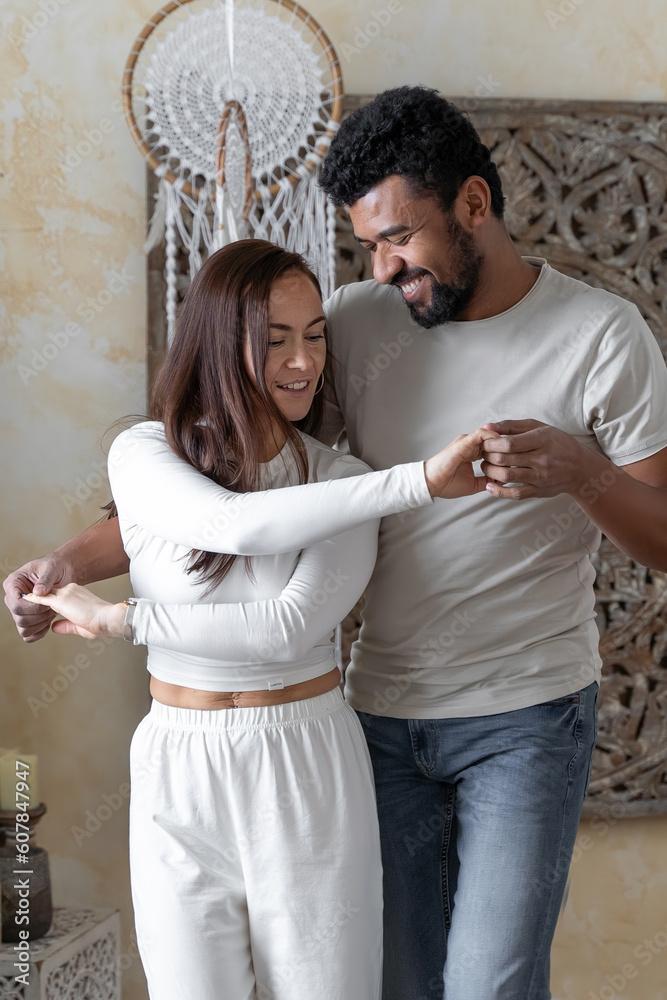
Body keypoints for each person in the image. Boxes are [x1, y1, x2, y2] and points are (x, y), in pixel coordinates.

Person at [6, 86, 667, 1000]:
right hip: (378, 717)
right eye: (367, 244)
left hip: (525, 717)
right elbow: (242, 493)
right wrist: (71, 566)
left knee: (486, 985)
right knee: (394, 984)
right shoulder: (354, 323)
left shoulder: (602, 336)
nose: (386, 266)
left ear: (473, 205)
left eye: (400, 237)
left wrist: (581, 475)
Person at [14, 237, 499, 1000]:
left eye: (314, 336)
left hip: (302, 759)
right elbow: (232, 524)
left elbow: (284, 628)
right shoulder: (142, 454)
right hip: (177, 760)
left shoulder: (342, 482)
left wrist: (118, 623)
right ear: (215, 341)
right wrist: (421, 483)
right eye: (275, 341)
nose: (303, 361)